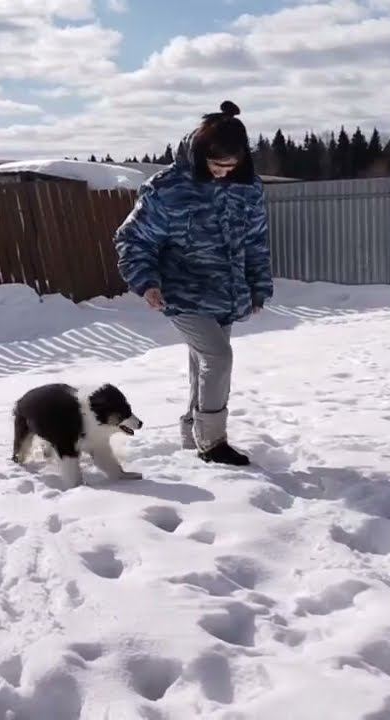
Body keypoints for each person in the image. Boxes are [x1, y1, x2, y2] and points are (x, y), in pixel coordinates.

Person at [113, 100, 273, 466]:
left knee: (204, 364)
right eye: (216, 165)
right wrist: (146, 281)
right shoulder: (167, 188)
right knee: (218, 358)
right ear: (201, 154)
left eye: (231, 167)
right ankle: (212, 443)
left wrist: (258, 285)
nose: (222, 173)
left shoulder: (248, 188)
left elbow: (255, 241)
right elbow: (133, 239)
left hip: (226, 294)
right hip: (180, 292)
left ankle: (191, 434)